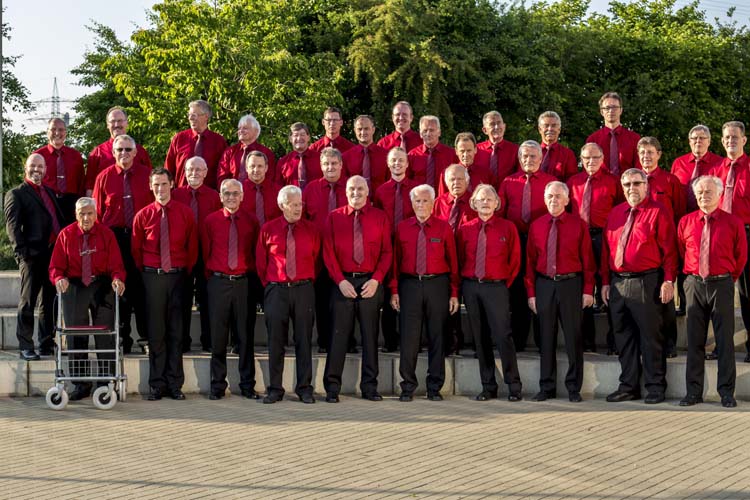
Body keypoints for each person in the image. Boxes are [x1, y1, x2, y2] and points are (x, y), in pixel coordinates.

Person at [602, 168, 678, 404]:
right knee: (623, 337)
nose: (631, 188)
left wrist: (668, 280)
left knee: (650, 337)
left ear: (646, 186)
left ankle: (655, 387)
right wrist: (605, 282)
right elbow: (606, 250)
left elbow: (670, 250)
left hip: (646, 282)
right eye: (627, 184)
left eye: (636, 183)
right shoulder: (615, 213)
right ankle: (629, 386)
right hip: (618, 283)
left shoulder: (658, 211)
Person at [677, 175, 746, 408]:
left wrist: (728, 278)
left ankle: (726, 392)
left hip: (721, 284)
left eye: (708, 192)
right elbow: (681, 250)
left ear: (719, 194)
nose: (703, 196)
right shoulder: (686, 222)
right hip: (694, 284)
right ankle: (693, 392)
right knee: (694, 340)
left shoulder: (733, 222)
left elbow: (741, 256)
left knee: (724, 340)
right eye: (699, 192)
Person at [322, 176, 392, 402]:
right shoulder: (334, 217)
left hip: (370, 284)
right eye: (352, 189)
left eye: (360, 189)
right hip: (342, 283)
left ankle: (370, 387)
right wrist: (340, 281)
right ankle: (332, 387)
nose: (356, 193)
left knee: (370, 338)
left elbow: (387, 252)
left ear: (367, 191)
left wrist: (376, 280)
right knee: (338, 337)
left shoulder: (380, 217)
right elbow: (328, 252)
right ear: (346, 192)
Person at [48, 197, 126, 400]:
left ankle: (106, 381)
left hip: (102, 284)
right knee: (75, 335)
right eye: (81, 213)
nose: (86, 218)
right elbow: (55, 267)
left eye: (90, 213)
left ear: (96, 214)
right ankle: (80, 384)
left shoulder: (107, 234)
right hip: (75, 285)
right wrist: (58, 278)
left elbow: (117, 265)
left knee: (105, 335)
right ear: (76, 215)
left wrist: (118, 279)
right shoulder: (66, 235)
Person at [132, 168, 198, 401]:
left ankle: (174, 384)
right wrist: (151, 273)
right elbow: (136, 250)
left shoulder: (185, 213)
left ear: (172, 184)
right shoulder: (142, 215)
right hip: (153, 278)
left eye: (164, 184)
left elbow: (192, 247)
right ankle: (157, 384)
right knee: (156, 333)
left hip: (178, 278)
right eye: (156, 185)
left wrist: (182, 273)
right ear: (151, 187)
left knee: (176, 333)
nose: (160, 189)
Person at [525, 182, 595, 402]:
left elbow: (588, 261)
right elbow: (530, 262)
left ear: (566, 200)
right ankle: (546, 387)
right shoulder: (536, 226)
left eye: (557, 196)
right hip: (544, 285)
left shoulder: (578, 225)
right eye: (549, 196)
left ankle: (573, 388)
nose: (553, 200)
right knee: (546, 338)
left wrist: (588, 290)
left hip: (570, 285)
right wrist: (531, 293)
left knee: (573, 338)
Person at [390, 184, 460, 402]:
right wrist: (394, 290)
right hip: (409, 284)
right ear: (412, 204)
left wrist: (454, 292)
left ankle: (434, 387)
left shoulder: (443, 228)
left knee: (437, 336)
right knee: (409, 338)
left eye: (425, 201)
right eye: (417, 201)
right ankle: (407, 387)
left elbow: (453, 262)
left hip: (437, 284)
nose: (421, 205)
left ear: (433, 203)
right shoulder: (402, 228)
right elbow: (395, 262)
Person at [456, 184, 523, 402]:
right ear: (474, 204)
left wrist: (501, 283)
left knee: (503, 336)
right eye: (481, 199)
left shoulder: (508, 228)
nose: (485, 202)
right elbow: (459, 258)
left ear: (497, 203)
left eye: (489, 199)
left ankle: (514, 386)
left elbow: (515, 260)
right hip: (472, 287)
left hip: (496, 288)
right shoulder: (465, 229)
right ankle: (488, 386)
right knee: (480, 338)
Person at [256, 185, 321, 404]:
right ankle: (275, 389)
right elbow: (261, 262)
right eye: (293, 204)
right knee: (276, 342)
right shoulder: (268, 229)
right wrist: (272, 285)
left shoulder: (311, 230)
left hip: (303, 289)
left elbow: (316, 259)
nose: (297, 208)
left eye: (300, 204)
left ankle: (304, 388)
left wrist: (304, 280)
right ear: (282, 205)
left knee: (304, 340)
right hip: (277, 290)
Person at [92, 134, 153, 354]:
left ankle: (145, 338)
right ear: (113, 152)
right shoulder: (104, 177)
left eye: (128, 149)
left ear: (135, 152)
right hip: (114, 238)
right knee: (118, 288)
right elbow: (97, 214)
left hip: (142, 237)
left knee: (141, 288)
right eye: (119, 150)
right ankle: (123, 338)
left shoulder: (147, 175)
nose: (124, 153)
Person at [201, 179, 261, 400]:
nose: (231, 197)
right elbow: (205, 251)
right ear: (220, 196)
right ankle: (217, 385)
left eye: (235, 193)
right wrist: (214, 278)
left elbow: (255, 252)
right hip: (219, 282)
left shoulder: (252, 221)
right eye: (227, 193)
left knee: (245, 336)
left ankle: (247, 385)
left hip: (243, 282)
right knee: (218, 338)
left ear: (242, 196)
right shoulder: (210, 221)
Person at [4, 153, 65, 360]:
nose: (36, 169)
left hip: (53, 255)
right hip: (31, 255)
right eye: (33, 166)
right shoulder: (16, 194)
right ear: (26, 168)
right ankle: (25, 345)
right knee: (28, 301)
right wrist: (22, 254)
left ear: (45, 170)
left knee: (49, 301)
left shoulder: (49, 192)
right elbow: (12, 227)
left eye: (40, 166)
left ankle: (46, 343)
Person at [498, 140, 556, 352]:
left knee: (541, 289)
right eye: (524, 156)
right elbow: (500, 214)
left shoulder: (551, 182)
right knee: (518, 290)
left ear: (540, 159)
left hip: (543, 241)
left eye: (533, 156)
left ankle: (543, 342)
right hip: (516, 241)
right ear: (519, 159)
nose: (528, 160)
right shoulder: (508, 182)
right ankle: (518, 340)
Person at [567, 143, 621, 354]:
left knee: (609, 287)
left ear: (602, 159)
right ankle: (586, 341)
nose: (591, 161)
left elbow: (621, 209)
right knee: (583, 288)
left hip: (605, 237)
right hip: (579, 238)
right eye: (586, 158)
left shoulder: (613, 182)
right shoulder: (573, 182)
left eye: (595, 157)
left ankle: (614, 341)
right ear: (581, 160)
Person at [638, 136, 685, 358]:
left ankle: (669, 343)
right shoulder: (632, 180)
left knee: (665, 297)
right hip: (641, 246)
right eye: (642, 153)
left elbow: (679, 212)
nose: (646, 156)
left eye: (650, 152)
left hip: (663, 245)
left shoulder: (670, 180)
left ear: (659, 154)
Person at [671, 125, 723, 320]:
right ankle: (685, 303)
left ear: (709, 141)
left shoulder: (719, 163)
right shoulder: (679, 163)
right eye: (694, 138)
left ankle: (709, 303)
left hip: (710, 219)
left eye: (702, 138)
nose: (698, 141)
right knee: (685, 261)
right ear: (689, 141)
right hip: (685, 221)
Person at [709, 121, 750, 363]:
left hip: (747, 233)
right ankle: (721, 345)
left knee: (748, 293)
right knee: (719, 294)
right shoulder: (716, 170)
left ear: (744, 140)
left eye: (735, 137)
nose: (730, 140)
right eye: (726, 137)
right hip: (720, 235)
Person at [171, 157, 222, 352]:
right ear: (184, 172)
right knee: (182, 299)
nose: (194, 173)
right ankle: (182, 341)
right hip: (182, 253)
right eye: (190, 169)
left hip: (206, 253)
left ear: (206, 172)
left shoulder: (214, 196)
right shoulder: (175, 195)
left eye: (199, 169)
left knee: (207, 298)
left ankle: (209, 341)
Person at [302, 147, 349, 353]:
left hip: (343, 254)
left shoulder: (350, 187)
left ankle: (346, 342)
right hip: (318, 255)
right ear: (321, 166)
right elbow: (303, 220)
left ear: (341, 165)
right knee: (321, 300)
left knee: (344, 301)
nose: (330, 167)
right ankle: (323, 341)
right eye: (326, 164)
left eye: (334, 163)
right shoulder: (310, 189)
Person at [373, 147, 417, 353]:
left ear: (407, 164)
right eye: (393, 160)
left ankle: (411, 340)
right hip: (387, 244)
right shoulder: (381, 191)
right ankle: (390, 340)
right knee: (387, 291)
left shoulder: (416, 189)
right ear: (388, 164)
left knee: (408, 291)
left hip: (410, 244)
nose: (397, 163)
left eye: (401, 160)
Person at [433, 164, 477, 354]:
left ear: (467, 181)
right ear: (446, 182)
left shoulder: (475, 202)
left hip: (468, 259)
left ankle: (477, 343)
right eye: (452, 179)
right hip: (444, 259)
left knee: (472, 304)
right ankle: (451, 341)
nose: (456, 182)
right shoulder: (438, 203)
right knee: (447, 303)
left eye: (460, 179)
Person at [86, 106, 152, 196]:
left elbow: (151, 179)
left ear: (127, 123)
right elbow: (89, 186)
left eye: (120, 121)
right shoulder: (97, 153)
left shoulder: (140, 151)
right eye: (112, 121)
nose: (116, 124)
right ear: (107, 125)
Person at [164, 100, 227, 189]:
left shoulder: (218, 141)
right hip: (181, 194)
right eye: (189, 115)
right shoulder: (179, 139)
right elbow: (168, 169)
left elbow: (223, 172)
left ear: (206, 117)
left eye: (194, 115)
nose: (190, 118)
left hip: (209, 194)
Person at [33, 117, 85, 223]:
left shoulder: (75, 155)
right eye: (53, 129)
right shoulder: (37, 156)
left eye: (61, 130)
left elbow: (81, 183)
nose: (57, 133)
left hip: (71, 205)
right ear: (47, 132)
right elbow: (31, 184)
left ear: (65, 133)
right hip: (46, 203)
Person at [586, 92, 641, 176]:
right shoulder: (593, 140)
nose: (611, 111)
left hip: (628, 182)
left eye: (615, 107)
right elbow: (589, 169)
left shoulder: (634, 138)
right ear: (601, 111)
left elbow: (639, 168)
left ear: (621, 110)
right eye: (607, 108)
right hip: (602, 183)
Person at [217, 114, 276, 186]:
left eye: (245, 128)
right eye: (239, 128)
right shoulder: (229, 152)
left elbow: (269, 179)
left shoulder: (266, 153)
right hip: (233, 191)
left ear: (256, 131)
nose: (241, 131)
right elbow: (222, 177)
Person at [407, 116, 458, 189]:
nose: (428, 134)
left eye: (431, 130)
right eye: (425, 130)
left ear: (439, 132)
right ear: (420, 134)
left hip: (443, 195)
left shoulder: (451, 154)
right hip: (419, 195)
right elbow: (407, 180)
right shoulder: (412, 155)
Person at [342, 115, 389, 193]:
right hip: (356, 199)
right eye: (359, 129)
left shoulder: (386, 155)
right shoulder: (346, 157)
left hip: (380, 199)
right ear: (355, 130)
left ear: (373, 130)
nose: (363, 132)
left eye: (366, 129)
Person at [476, 111, 519, 187]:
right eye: (492, 124)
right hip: (482, 192)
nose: (496, 127)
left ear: (504, 126)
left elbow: (520, 175)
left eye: (499, 123)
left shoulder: (515, 150)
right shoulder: (476, 150)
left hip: (507, 192)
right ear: (485, 130)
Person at [277, 122, 323, 189]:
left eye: (302, 135)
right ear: (290, 139)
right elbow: (278, 188)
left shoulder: (320, 159)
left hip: (316, 195)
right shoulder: (283, 162)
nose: (299, 138)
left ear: (308, 137)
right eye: (296, 135)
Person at [537, 111, 577, 181]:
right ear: (540, 130)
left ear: (559, 130)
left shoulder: (568, 154)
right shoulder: (531, 153)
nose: (550, 129)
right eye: (546, 125)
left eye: (554, 125)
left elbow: (571, 181)